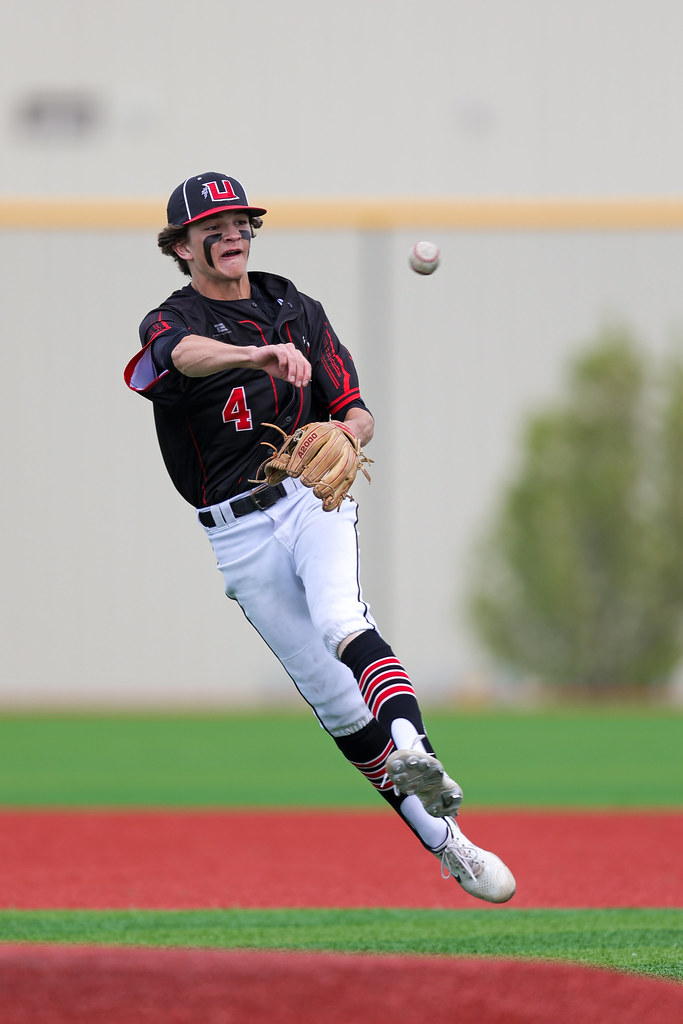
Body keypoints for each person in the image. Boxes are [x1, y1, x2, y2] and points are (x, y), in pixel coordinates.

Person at [124, 171, 516, 904]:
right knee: (335, 705)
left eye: (241, 220)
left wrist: (342, 430)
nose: (232, 232)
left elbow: (356, 410)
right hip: (236, 534)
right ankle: (450, 843)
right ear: (180, 246)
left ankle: (409, 748)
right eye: (212, 226)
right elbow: (180, 357)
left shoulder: (294, 306)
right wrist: (255, 356)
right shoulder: (169, 319)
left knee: (344, 619)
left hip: (310, 494)